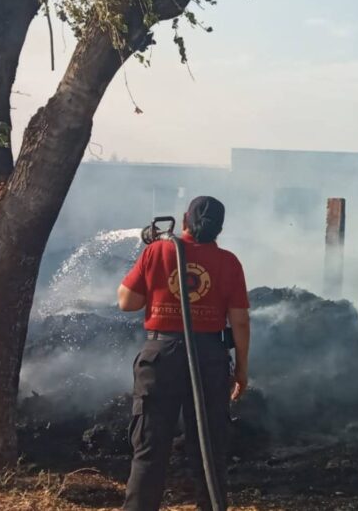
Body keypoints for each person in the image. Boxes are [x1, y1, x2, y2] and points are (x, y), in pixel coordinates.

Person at [118, 196, 251, 511]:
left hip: (160, 356)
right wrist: (241, 370)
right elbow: (240, 321)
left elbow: (127, 302)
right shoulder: (229, 262)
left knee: (149, 449)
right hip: (209, 357)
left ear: (185, 219)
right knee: (208, 448)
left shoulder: (158, 251)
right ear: (219, 228)